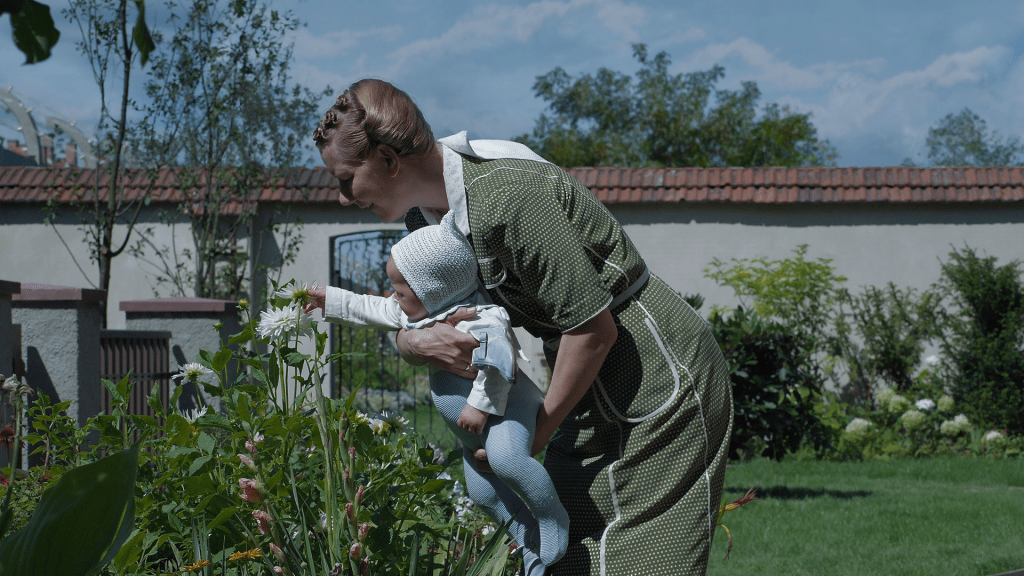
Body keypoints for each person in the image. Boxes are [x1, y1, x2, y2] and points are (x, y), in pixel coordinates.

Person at [309, 79, 733, 575]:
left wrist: (535, 436)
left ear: (387, 158)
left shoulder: (508, 198)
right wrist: (413, 344)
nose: (341, 197)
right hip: (583, 380)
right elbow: (418, 316)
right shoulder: (424, 224)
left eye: (345, 179)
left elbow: (594, 331)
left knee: (642, 560)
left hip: (657, 376)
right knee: (569, 554)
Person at [309, 213, 568, 574]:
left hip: (506, 410)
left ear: (433, 290)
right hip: (471, 432)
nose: (393, 299)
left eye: (400, 292)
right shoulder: (418, 313)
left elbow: (500, 364)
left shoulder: (482, 317)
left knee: (508, 461)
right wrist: (328, 300)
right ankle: (525, 534)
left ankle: (551, 516)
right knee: (482, 493)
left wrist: (478, 407)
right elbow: (370, 306)